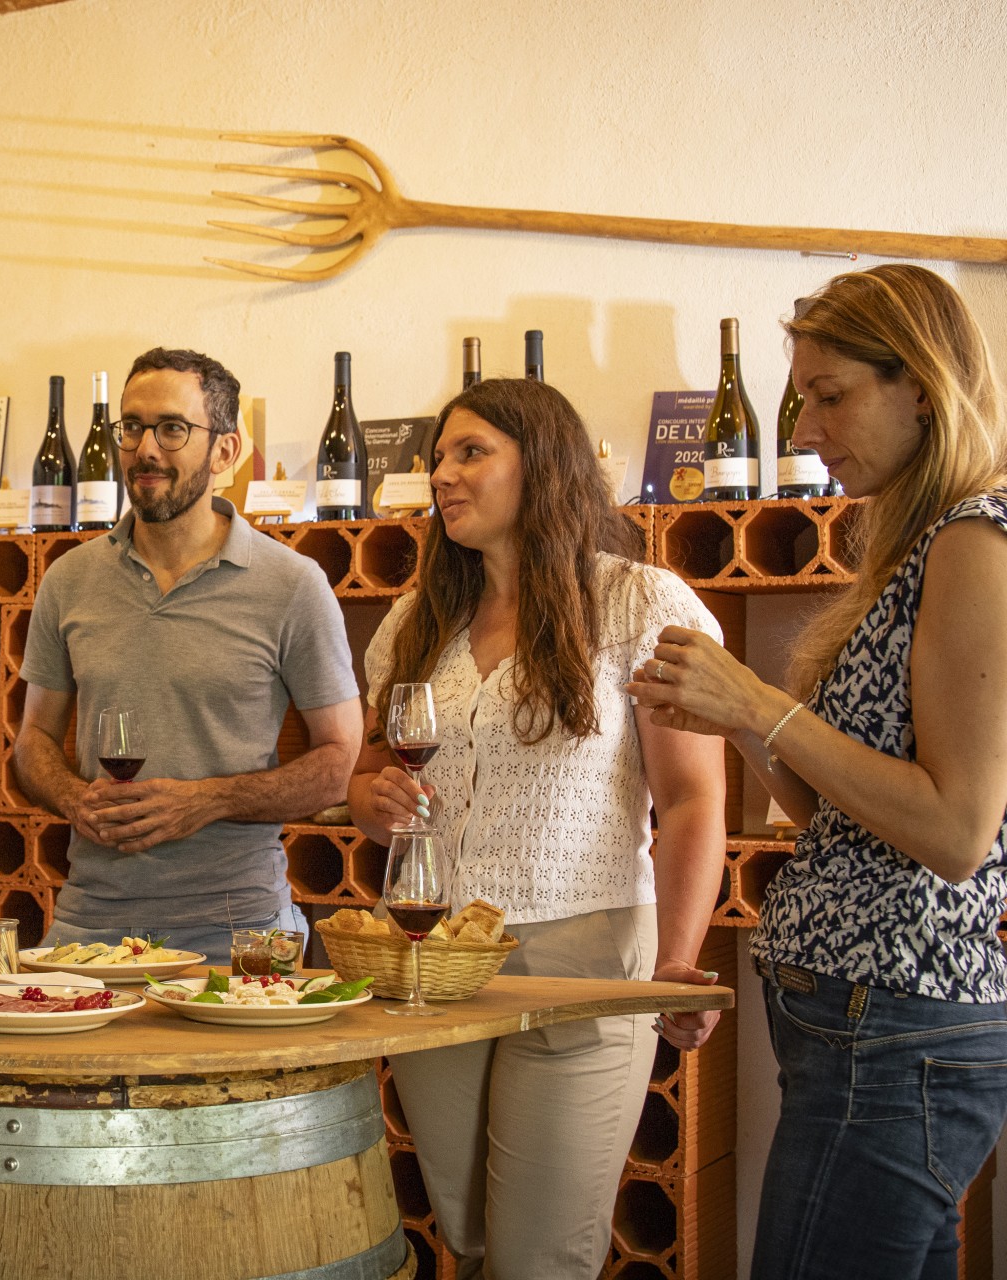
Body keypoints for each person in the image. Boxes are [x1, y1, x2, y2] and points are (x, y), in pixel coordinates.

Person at [628, 265, 1007, 1280]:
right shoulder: (917, 542)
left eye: (830, 396)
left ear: (920, 385)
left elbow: (956, 830)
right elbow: (831, 810)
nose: (808, 429)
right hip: (864, 1028)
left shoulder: (976, 540)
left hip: (893, 1026)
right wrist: (743, 720)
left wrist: (761, 706)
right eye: (801, 399)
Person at [348, 377, 728, 1278]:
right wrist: (371, 802)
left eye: (470, 452)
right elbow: (366, 776)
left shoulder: (641, 605)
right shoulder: (413, 621)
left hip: (584, 958)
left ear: (545, 464)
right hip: (432, 953)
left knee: (540, 1255)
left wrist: (676, 959)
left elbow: (691, 800)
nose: (442, 474)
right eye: (438, 457)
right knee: (470, 1235)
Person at [14, 347, 362, 961]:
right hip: (90, 922)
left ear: (224, 451)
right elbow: (33, 740)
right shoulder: (68, 580)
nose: (145, 449)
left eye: (172, 429)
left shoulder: (292, 584)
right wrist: (72, 798)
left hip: (239, 926)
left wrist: (208, 801)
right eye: (132, 427)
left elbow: (339, 761)